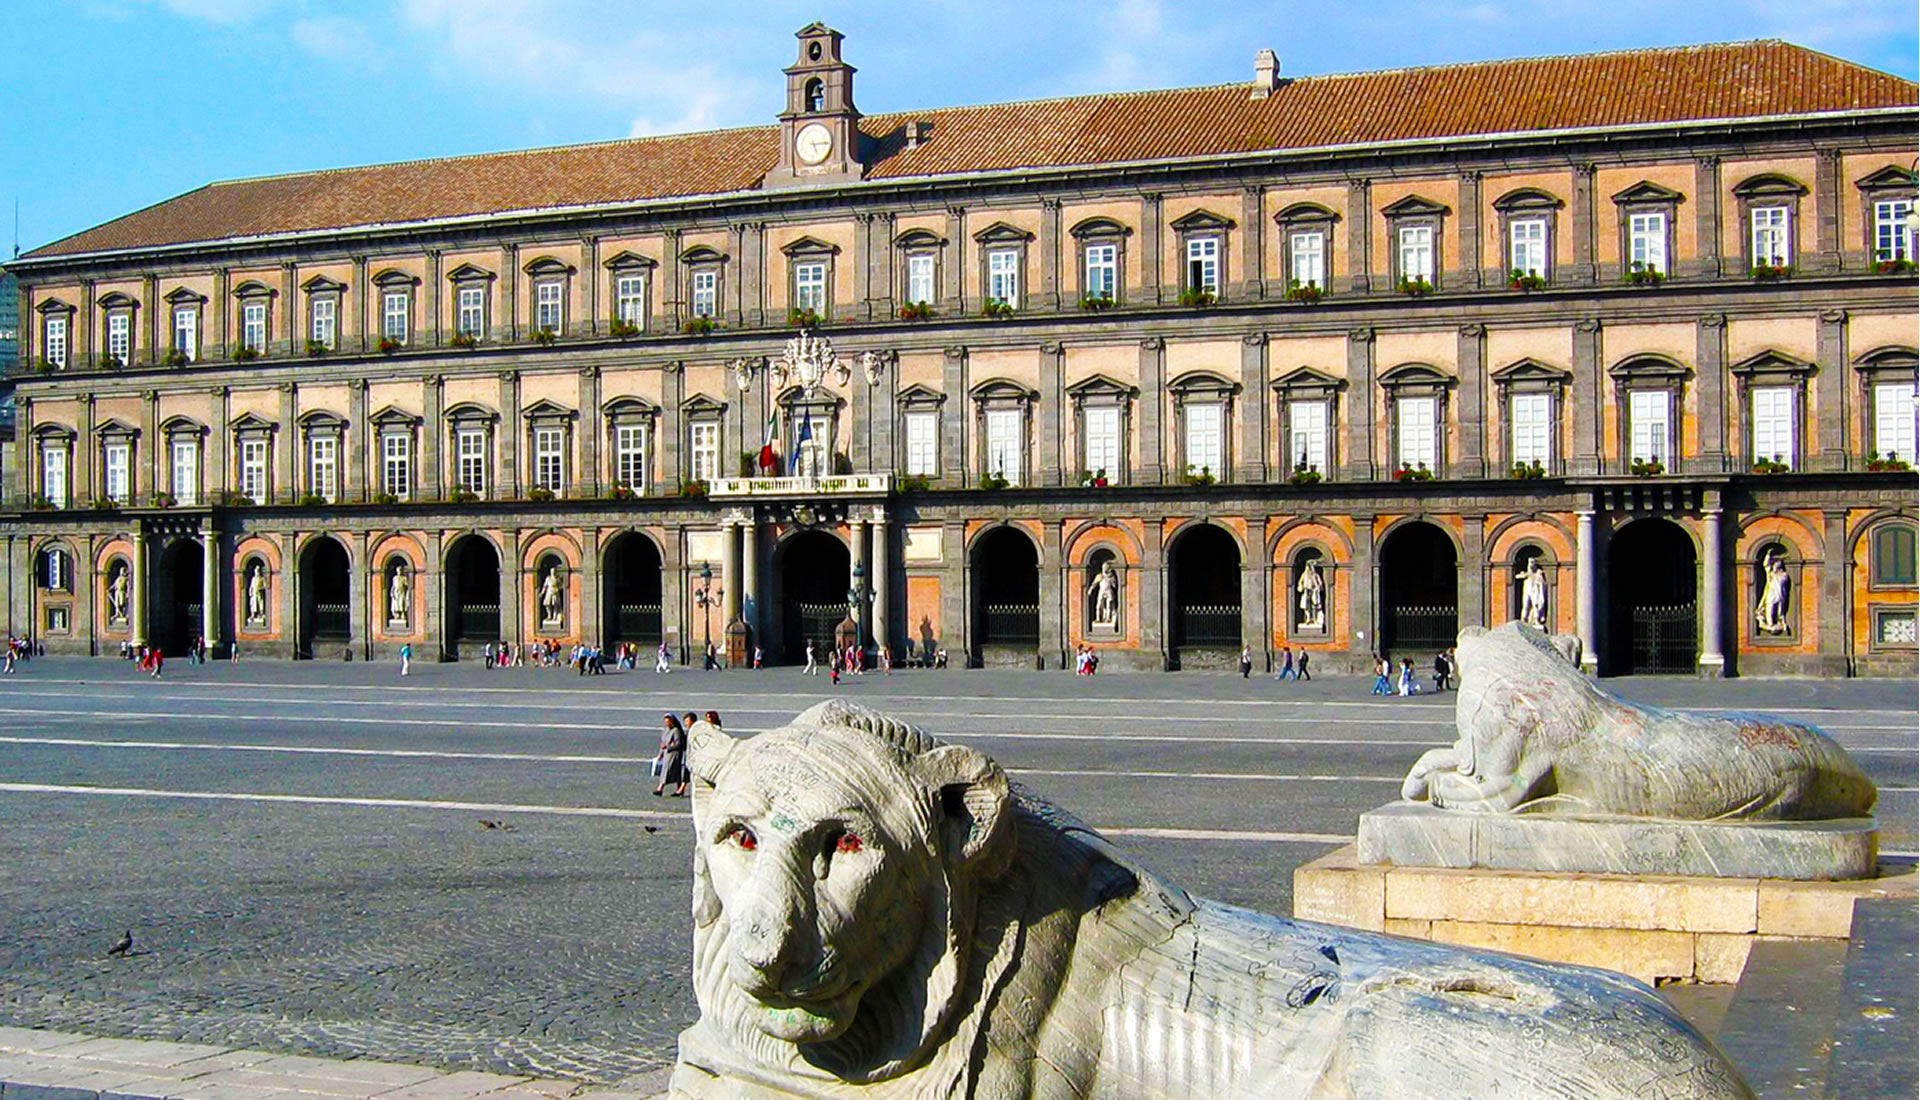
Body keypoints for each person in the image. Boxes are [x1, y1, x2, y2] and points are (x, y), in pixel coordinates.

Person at [653, 714, 688, 797]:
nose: (667, 724)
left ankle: (660, 788)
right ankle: (679, 788)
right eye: (666, 722)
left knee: (668, 771)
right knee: (673, 772)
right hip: (666, 754)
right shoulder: (665, 730)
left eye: (668, 722)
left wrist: (668, 747)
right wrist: (660, 754)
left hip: (674, 754)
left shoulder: (676, 731)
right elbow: (663, 743)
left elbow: (679, 744)